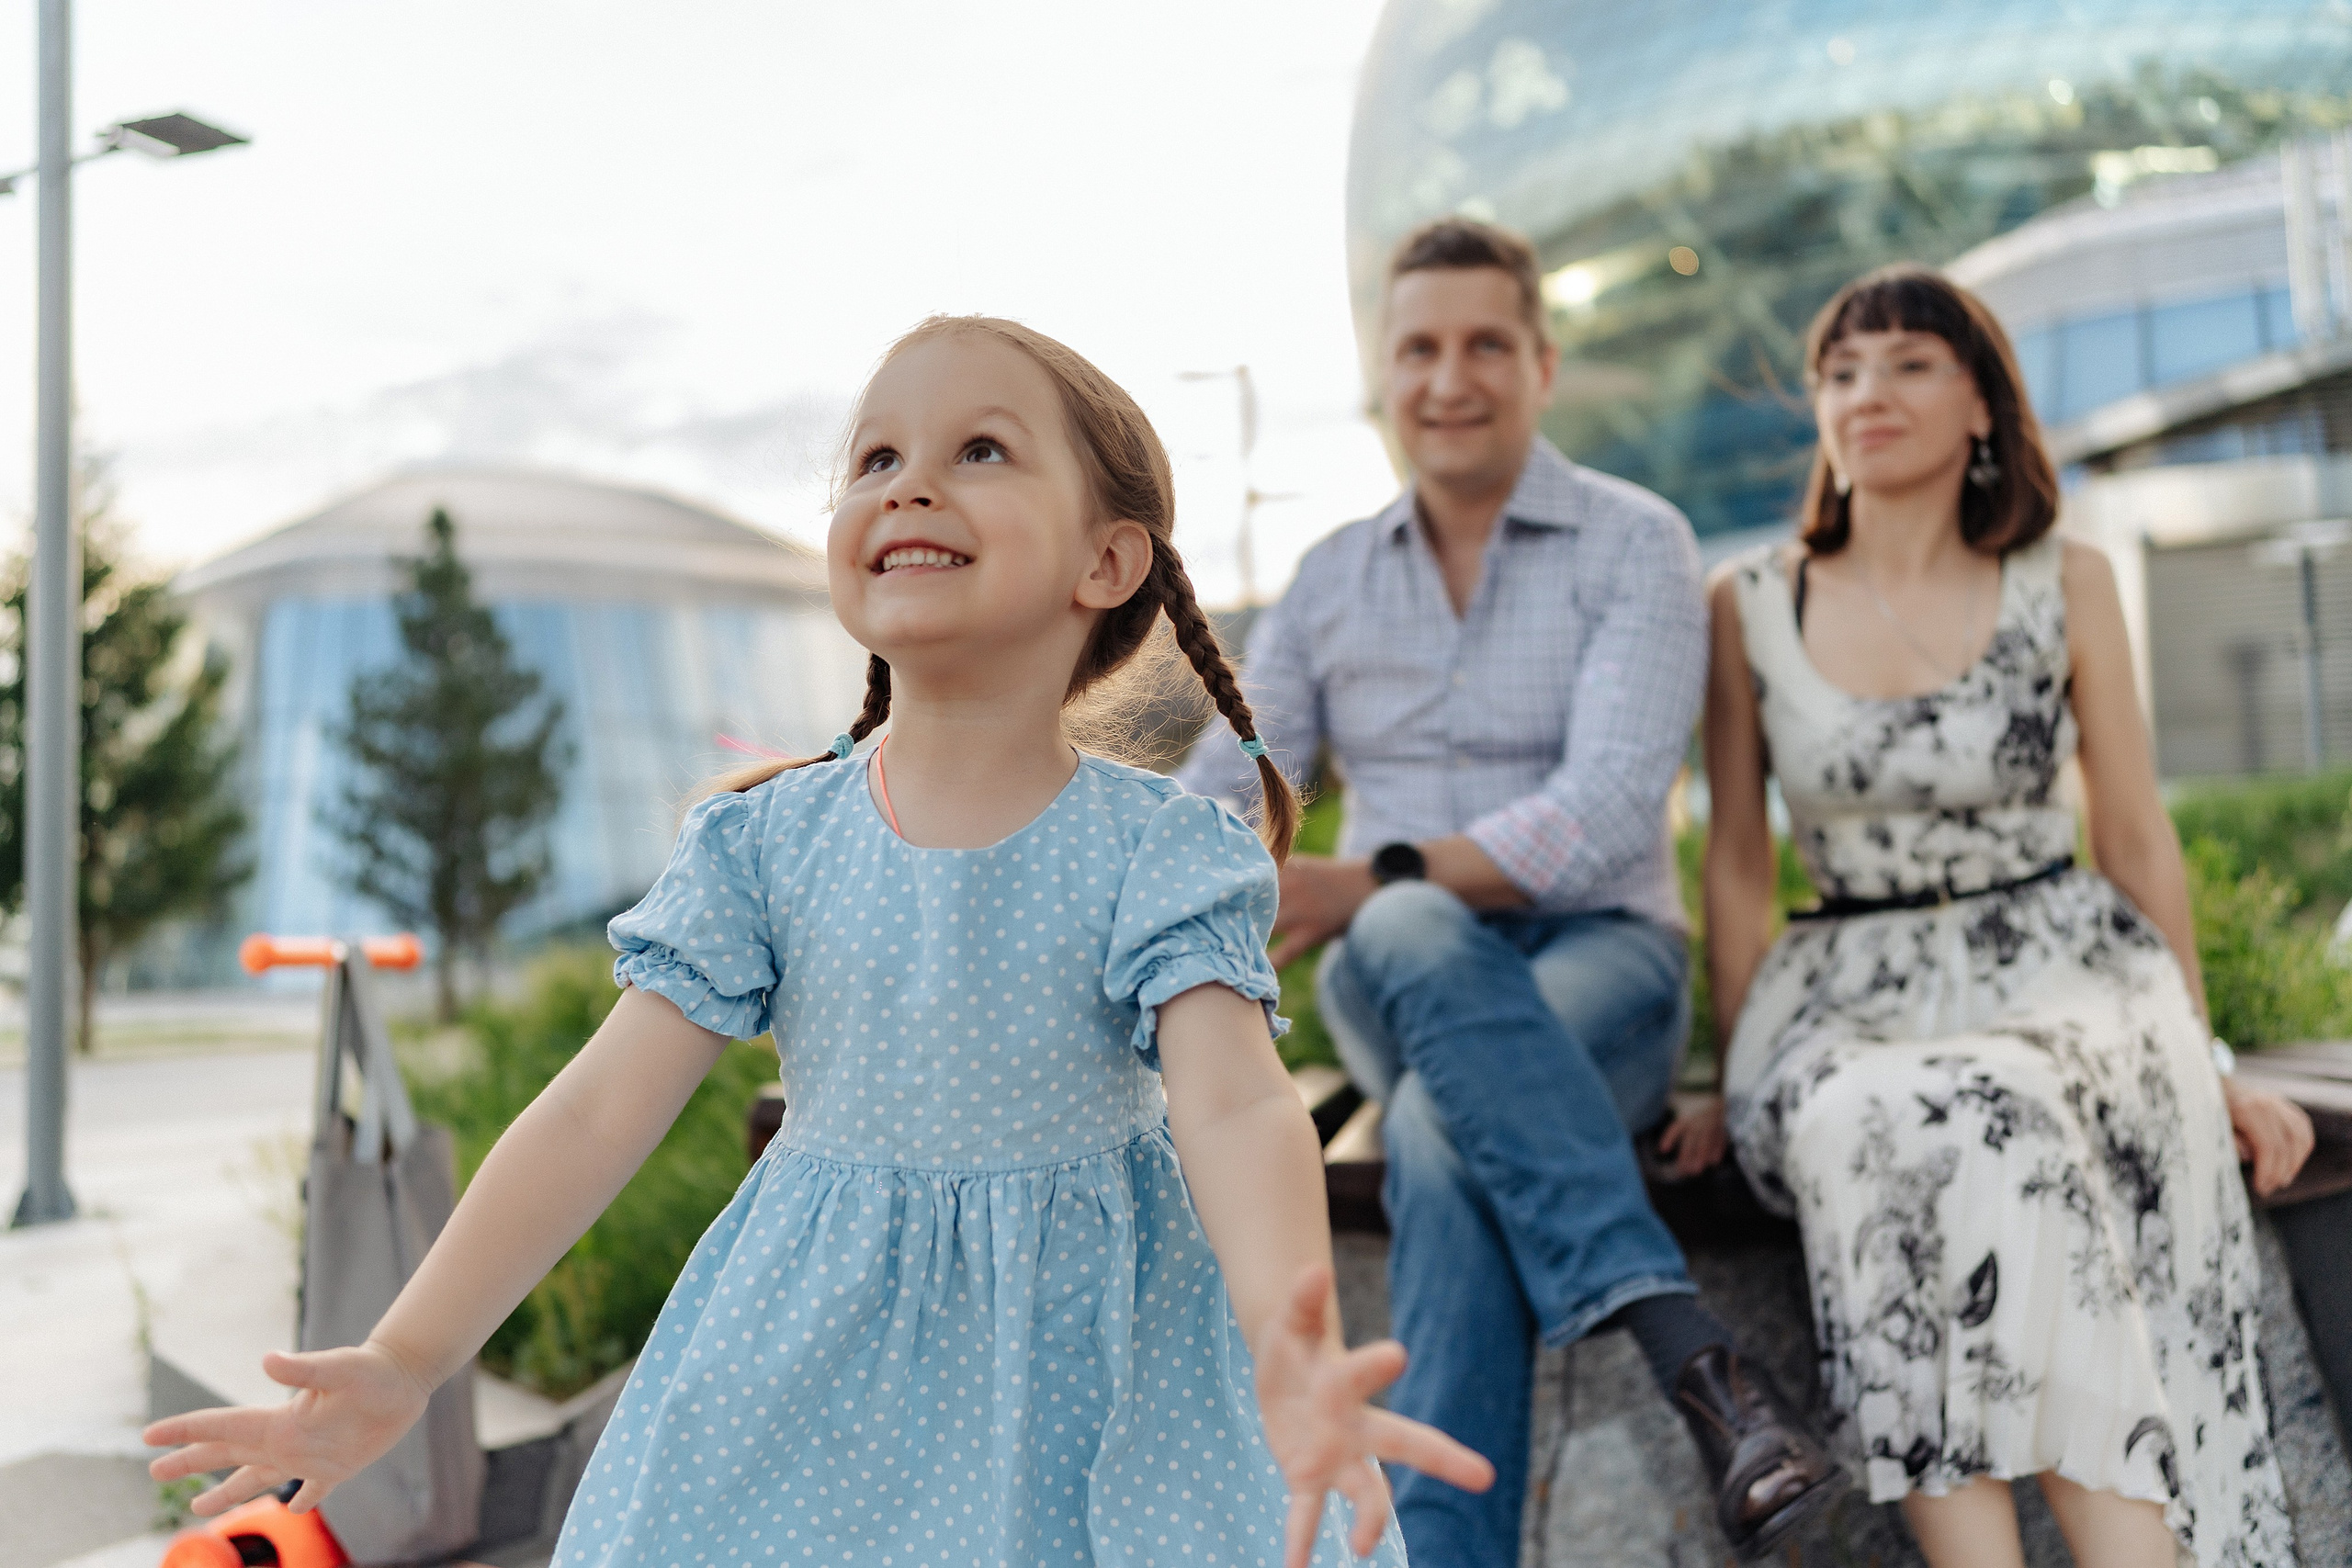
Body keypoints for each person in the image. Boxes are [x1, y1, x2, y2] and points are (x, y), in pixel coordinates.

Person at [144, 316, 1497, 1568]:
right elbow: (590, 1119)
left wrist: (1286, 1339)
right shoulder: (765, 846)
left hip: (1092, 1384)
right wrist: (403, 1358)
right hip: (798, 1385)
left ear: (1108, 560)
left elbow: (1237, 1106)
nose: (908, 484)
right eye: (875, 458)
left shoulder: (1160, 850)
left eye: (981, 450)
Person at [1177, 218, 1840, 1565]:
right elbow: (1218, 795)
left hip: (1609, 965)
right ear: (1385, 374)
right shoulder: (1327, 583)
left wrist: (1358, 878)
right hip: (1394, 976)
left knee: (1432, 1133)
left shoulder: (1633, 542)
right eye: (1419, 348)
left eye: (1486, 344)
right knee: (1412, 929)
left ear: (1541, 363)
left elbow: (1603, 819)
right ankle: (1697, 1359)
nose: (1451, 377)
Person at [1672, 264, 2317, 1568]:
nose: (1868, 395)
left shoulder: (2063, 578)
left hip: (2062, 969)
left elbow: (2133, 830)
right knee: (1879, 1117)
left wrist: (2209, 1057)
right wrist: (1735, 1074)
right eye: (1841, 373)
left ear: (1981, 404)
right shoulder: (1749, 603)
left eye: (1908, 364)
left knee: (2001, 1121)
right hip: (1844, 987)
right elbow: (1737, 861)